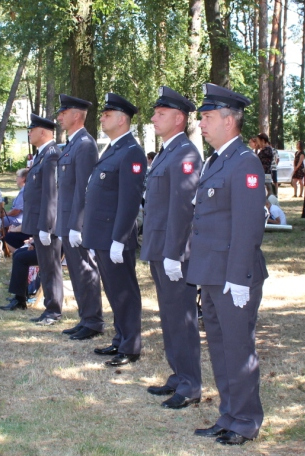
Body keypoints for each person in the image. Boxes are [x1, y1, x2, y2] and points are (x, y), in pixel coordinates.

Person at [188, 83, 268, 446]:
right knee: (220, 347)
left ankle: (247, 419)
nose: (201, 124)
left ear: (229, 120)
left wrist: (239, 278)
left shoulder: (245, 162)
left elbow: (248, 226)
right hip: (212, 272)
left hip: (233, 275)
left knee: (238, 348)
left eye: (207, 117)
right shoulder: (217, 160)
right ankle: (229, 414)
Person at [141, 86, 203, 409]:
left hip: (174, 252)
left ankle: (191, 383)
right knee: (169, 315)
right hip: (159, 248)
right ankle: (179, 375)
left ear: (179, 118)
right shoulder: (167, 152)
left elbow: (183, 208)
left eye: (160, 113)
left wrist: (174, 254)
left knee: (182, 317)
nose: (153, 117)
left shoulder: (187, 155)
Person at [84, 93, 146, 367]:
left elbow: (130, 200)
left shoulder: (131, 151)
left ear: (122, 120)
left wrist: (120, 239)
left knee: (124, 292)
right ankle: (121, 338)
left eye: (107, 114)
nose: (102, 117)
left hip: (114, 237)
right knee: (113, 289)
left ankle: (131, 345)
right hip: (102, 235)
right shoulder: (111, 148)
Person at [55, 94, 105, 341]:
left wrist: (77, 224)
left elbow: (84, 188)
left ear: (77, 115)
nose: (59, 117)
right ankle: (85, 317)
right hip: (66, 219)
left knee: (85, 269)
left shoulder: (85, 144)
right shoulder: (72, 144)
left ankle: (94, 321)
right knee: (75, 270)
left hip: (75, 221)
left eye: (63, 113)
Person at [21, 114, 63, 324]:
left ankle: (54, 310)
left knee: (50, 266)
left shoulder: (52, 154)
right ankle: (49, 307)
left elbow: (51, 193)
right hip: (38, 222)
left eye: (32, 129)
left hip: (46, 223)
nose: (29, 133)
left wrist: (47, 225)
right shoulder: (41, 155)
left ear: (43, 132)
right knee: (45, 266)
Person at [0, 238, 39, 311]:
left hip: (51, 250)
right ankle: (22, 295)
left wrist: (34, 244)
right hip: (44, 246)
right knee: (17, 253)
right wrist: (33, 242)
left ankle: (20, 300)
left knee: (20, 258)